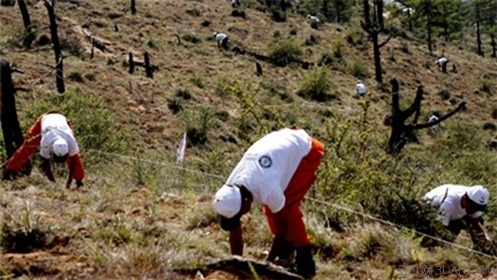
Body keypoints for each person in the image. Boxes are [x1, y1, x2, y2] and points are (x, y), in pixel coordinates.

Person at [213, 127, 325, 278]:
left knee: (288, 209)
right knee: (273, 208)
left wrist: (266, 266)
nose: (239, 218)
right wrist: (238, 267)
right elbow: (235, 230)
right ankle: (286, 253)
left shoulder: (267, 187)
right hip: (284, 143)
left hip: (307, 150)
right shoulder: (232, 187)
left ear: (245, 202)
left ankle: (305, 262)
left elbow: (282, 229)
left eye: (238, 215)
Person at [3, 111, 85, 189]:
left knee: (75, 157)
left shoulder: (71, 141)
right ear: (52, 150)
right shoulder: (46, 141)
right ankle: (9, 171)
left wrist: (69, 182)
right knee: (28, 147)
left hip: (63, 121)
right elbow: (45, 164)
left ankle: (79, 181)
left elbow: (74, 161)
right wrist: (53, 183)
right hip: (45, 120)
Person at [422, 184, 491, 244]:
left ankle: (482, 250)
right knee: (443, 239)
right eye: (473, 207)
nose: (474, 211)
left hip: (452, 215)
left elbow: (475, 221)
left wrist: (485, 238)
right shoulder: (448, 203)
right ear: (465, 199)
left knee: (478, 221)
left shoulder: (475, 203)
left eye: (477, 208)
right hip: (429, 215)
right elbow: (440, 227)